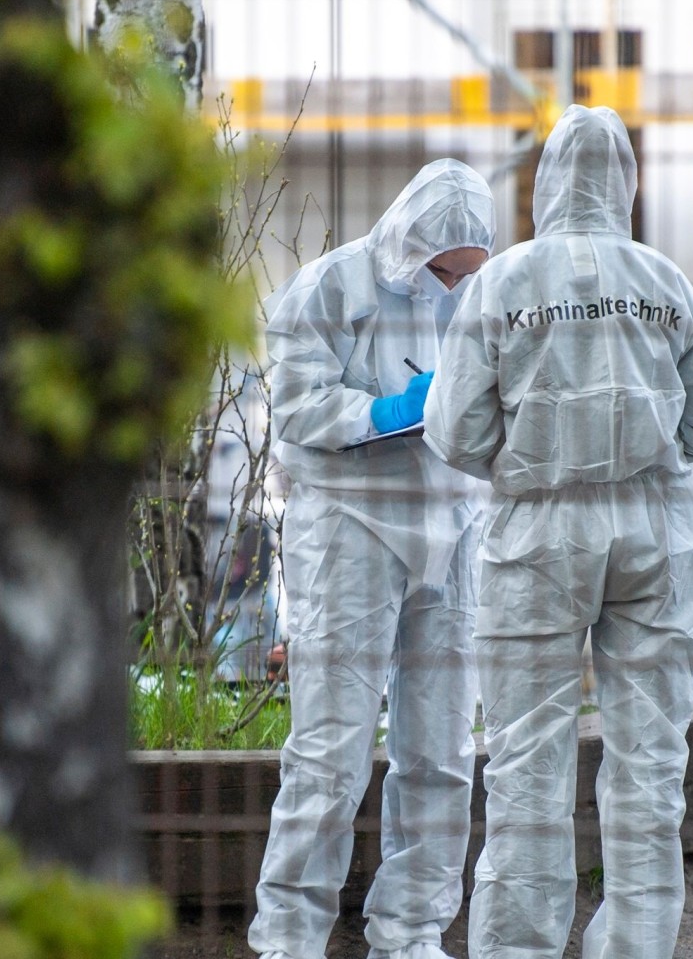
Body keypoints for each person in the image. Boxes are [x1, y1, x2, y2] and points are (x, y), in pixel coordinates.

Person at [424, 106, 693, 959]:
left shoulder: (503, 284)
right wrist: (643, 451)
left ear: (544, 184)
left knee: (527, 761)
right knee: (649, 767)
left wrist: (530, 459)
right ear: (628, 185)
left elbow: (453, 431)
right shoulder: (665, 282)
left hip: (537, 530)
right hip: (656, 529)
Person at [248, 159, 495, 959]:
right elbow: (295, 404)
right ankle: (289, 938)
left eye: (468, 271)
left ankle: (413, 930)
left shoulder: (477, 300)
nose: (452, 283)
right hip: (350, 525)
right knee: (330, 750)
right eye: (442, 268)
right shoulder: (330, 288)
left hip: (452, 525)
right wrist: (386, 413)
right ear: (410, 241)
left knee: (443, 749)